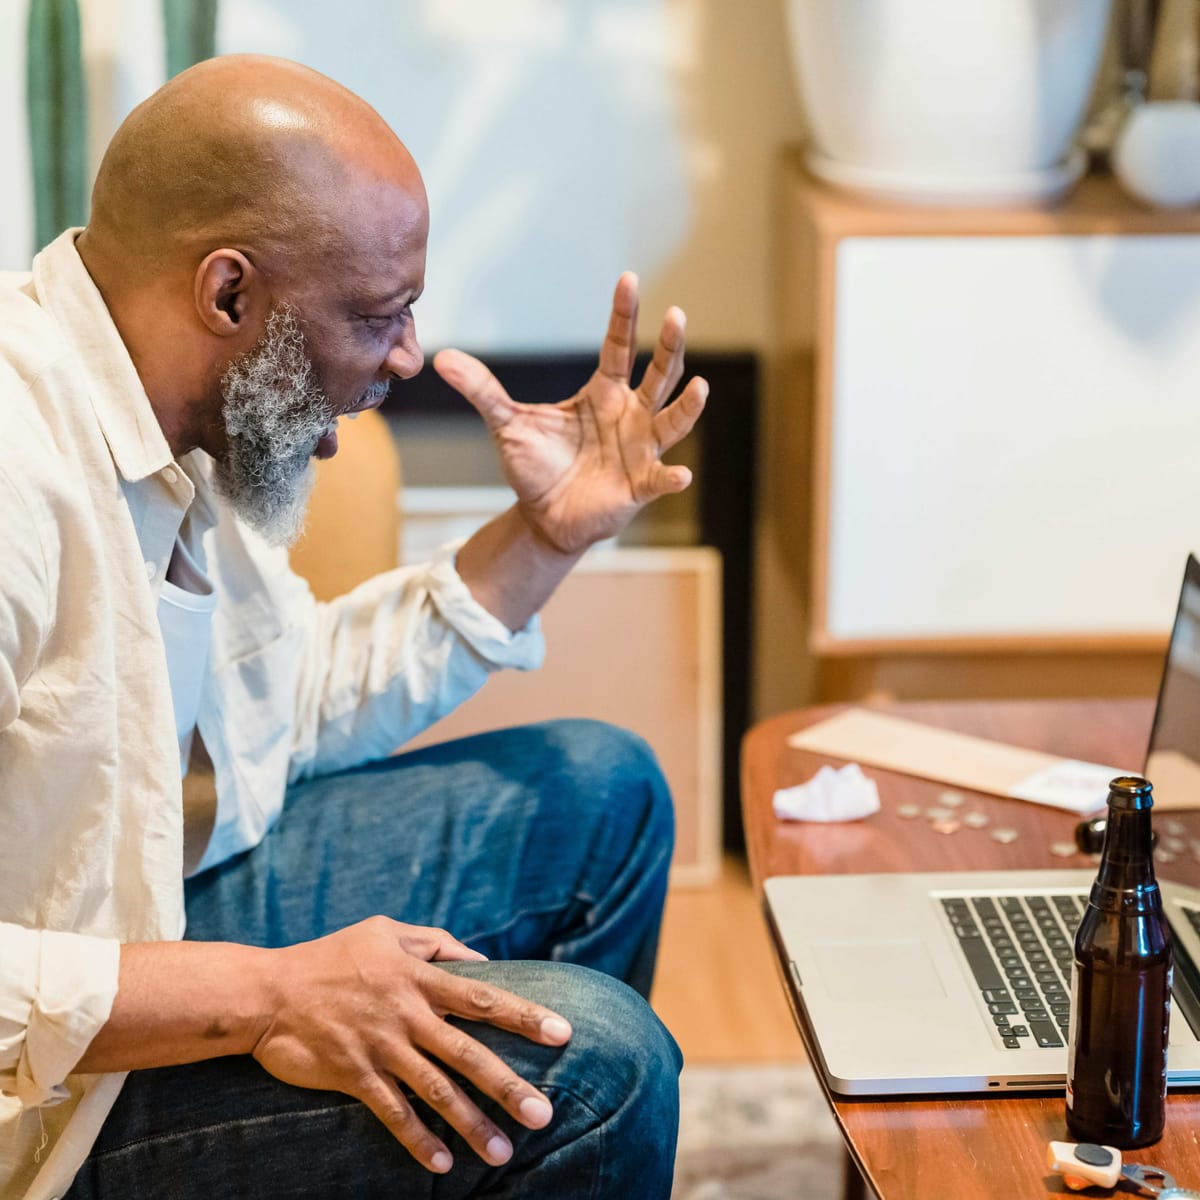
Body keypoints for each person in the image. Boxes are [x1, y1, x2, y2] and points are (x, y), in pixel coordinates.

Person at [0, 53, 708, 1199]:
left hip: (141, 924)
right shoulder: (16, 476)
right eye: (378, 314)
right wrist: (274, 994)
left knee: (601, 789)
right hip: (37, 1119)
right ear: (227, 295)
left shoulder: (167, 406)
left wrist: (544, 536)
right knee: (600, 1068)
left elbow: (296, 689)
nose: (406, 355)